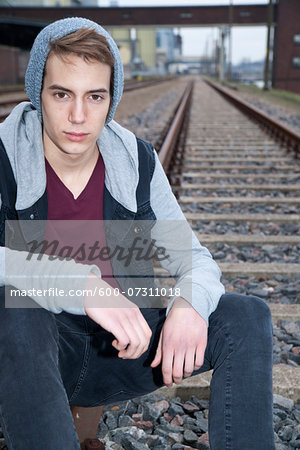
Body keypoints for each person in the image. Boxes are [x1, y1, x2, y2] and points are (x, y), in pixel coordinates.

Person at [0, 17, 275, 450]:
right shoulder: (6, 158)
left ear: (111, 99)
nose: (78, 116)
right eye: (61, 95)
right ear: (39, 93)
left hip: (127, 350)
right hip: (40, 354)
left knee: (247, 316)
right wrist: (83, 285)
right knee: (15, 309)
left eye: (95, 96)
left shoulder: (136, 162)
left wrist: (188, 303)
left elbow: (196, 260)